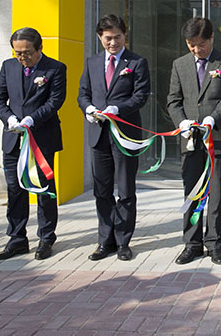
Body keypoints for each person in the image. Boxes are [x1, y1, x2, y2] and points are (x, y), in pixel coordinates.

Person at [167, 17, 221, 265]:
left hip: (219, 139)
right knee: (192, 193)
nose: (196, 50)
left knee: (217, 194)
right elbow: (173, 100)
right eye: (191, 44)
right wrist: (181, 121)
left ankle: (214, 243)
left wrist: (213, 118)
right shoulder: (179, 65)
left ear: (211, 38)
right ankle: (192, 244)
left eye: (201, 44)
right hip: (191, 141)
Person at [78, 14, 150, 261]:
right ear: (100, 37)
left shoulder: (137, 62)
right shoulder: (92, 62)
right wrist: (88, 109)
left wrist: (117, 109)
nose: (113, 42)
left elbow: (141, 96)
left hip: (125, 134)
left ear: (125, 35)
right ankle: (104, 241)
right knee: (102, 191)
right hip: (98, 136)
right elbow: (83, 94)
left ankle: (123, 242)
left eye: (117, 37)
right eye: (108, 38)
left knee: (126, 190)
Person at [0, 27, 66, 260]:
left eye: (27, 53)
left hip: (40, 139)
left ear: (39, 48)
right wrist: (10, 118)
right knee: (15, 190)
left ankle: (46, 238)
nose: (22, 57)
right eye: (18, 53)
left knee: (43, 189)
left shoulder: (55, 68)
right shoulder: (8, 66)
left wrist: (31, 120)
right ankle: (17, 239)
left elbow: (55, 101)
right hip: (14, 138)